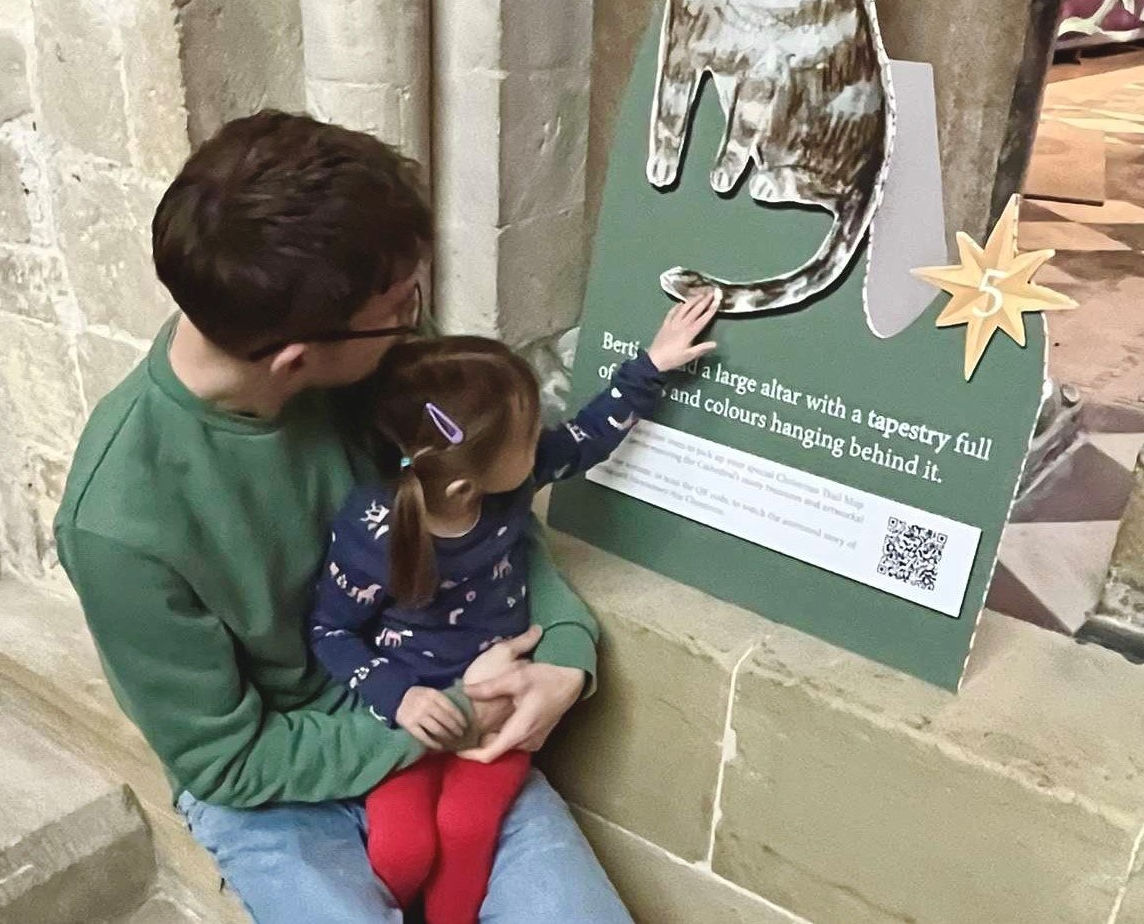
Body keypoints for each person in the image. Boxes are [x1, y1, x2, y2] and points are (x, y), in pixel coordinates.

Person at [54, 110, 639, 923]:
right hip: (284, 785)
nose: (417, 322)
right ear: (295, 359)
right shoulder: (118, 521)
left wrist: (567, 653)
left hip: (448, 706)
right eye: (402, 304)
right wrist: (451, 713)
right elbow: (230, 760)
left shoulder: (382, 358)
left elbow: (488, 512)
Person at [310, 298, 717, 924]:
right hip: (406, 719)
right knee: (403, 847)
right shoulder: (373, 530)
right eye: (527, 438)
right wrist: (399, 697)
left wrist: (652, 363)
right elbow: (331, 630)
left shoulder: (512, 483)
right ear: (462, 487)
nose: (541, 442)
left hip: (498, 708)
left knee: (468, 828)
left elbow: (585, 438)